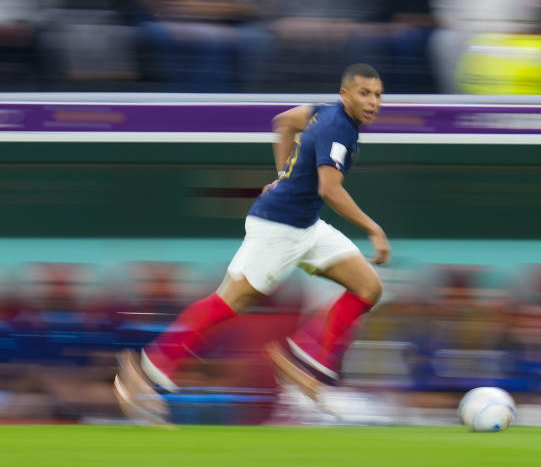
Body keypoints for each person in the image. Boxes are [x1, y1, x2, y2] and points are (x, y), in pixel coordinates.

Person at [114, 63, 390, 424]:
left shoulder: (324, 112)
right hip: (277, 229)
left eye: (378, 95)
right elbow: (329, 188)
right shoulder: (339, 128)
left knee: (368, 286)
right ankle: (149, 370)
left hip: (306, 226)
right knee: (228, 302)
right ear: (345, 94)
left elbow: (283, 122)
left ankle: (302, 357)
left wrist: (281, 177)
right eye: (364, 93)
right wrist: (373, 229)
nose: (373, 102)